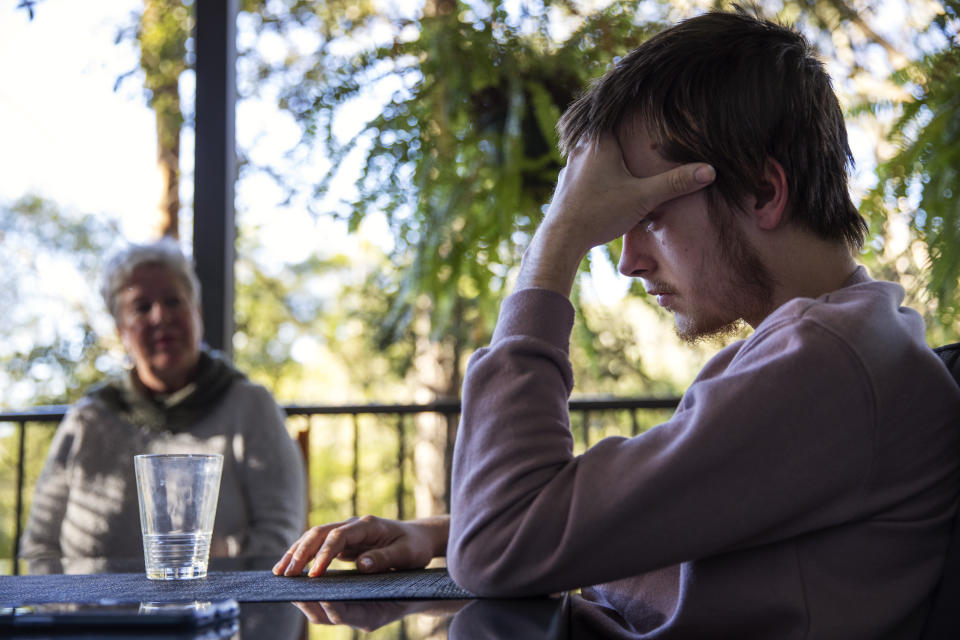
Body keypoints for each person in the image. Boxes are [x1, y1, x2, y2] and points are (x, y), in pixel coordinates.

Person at [274, 9, 960, 638]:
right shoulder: (835, 346)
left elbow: (503, 545)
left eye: (648, 218)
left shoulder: (830, 364)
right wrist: (436, 536)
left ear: (762, 191)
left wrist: (555, 248)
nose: (628, 260)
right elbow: (609, 527)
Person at [21, 238, 306, 565]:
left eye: (173, 301)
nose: (160, 317)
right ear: (121, 331)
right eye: (141, 307)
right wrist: (66, 614)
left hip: (216, 613)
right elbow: (40, 547)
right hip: (93, 617)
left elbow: (280, 541)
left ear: (197, 312)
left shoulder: (250, 407)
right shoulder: (87, 421)